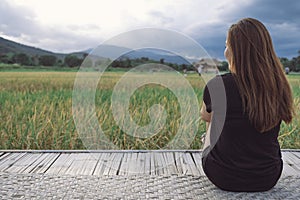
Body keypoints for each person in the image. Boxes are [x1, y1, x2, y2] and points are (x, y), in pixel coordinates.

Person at [201, 18, 294, 192]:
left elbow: (205, 116)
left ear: (235, 51)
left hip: (223, 175)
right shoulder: (278, 85)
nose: (225, 50)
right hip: (268, 176)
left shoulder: (219, 85)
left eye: (227, 45)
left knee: (213, 117)